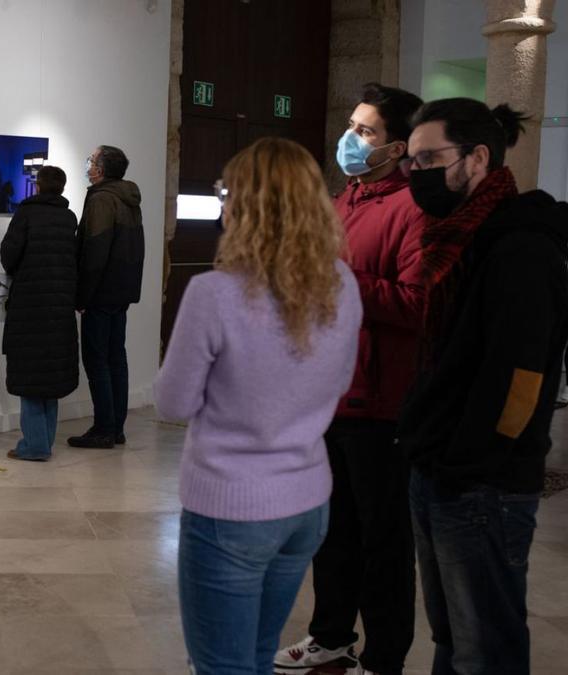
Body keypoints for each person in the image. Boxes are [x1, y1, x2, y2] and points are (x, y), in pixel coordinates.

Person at [156, 137, 362, 674]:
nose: (223, 204)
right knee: (255, 656)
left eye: (228, 193)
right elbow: (339, 382)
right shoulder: (341, 283)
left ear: (246, 206)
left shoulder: (214, 293)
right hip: (307, 502)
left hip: (231, 505)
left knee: (224, 665)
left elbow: (173, 401)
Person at [398, 98, 568, 674]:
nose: (417, 174)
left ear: (477, 158)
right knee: (453, 634)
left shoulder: (521, 246)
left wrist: (471, 461)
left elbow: (521, 378)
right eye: (412, 162)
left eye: (430, 159)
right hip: (441, 468)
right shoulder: (459, 238)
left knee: (484, 645)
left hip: (481, 482)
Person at [276, 83, 425, 675]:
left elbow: (417, 304)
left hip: (380, 404)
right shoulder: (347, 199)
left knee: (384, 543)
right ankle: (331, 636)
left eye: (365, 131)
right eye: (351, 126)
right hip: (327, 397)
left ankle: (384, 658)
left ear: (398, 147)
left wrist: (336, 280)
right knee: (331, 533)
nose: (350, 138)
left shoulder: (413, 209)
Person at [0, 165, 80, 461]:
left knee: (30, 373)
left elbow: (9, 254)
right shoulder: (68, 217)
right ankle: (44, 440)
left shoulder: (26, 214)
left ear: (38, 185)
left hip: (30, 304)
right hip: (60, 304)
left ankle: (34, 445)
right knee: (52, 374)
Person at [68, 145, 145, 449]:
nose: (88, 165)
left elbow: (95, 252)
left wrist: (82, 295)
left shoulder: (102, 199)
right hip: (120, 291)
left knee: (98, 360)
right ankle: (115, 427)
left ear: (100, 169)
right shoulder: (128, 198)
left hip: (100, 293)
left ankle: (104, 428)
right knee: (116, 359)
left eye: (91, 161)